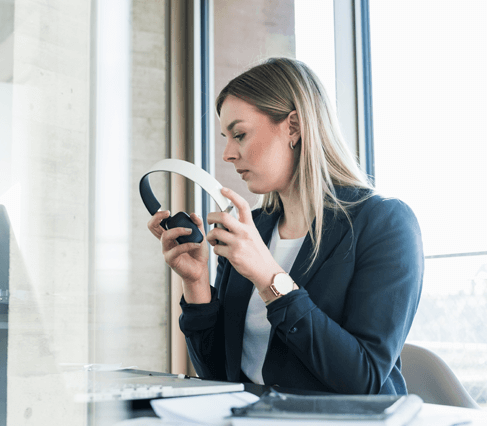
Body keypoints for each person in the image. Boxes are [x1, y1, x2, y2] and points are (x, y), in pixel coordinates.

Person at [147, 58, 423, 395]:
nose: (227, 154)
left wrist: (269, 278)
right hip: (252, 415)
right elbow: (219, 374)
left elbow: (363, 379)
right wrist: (196, 283)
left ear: (293, 127)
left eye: (239, 134)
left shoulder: (385, 224)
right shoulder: (252, 230)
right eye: (226, 138)